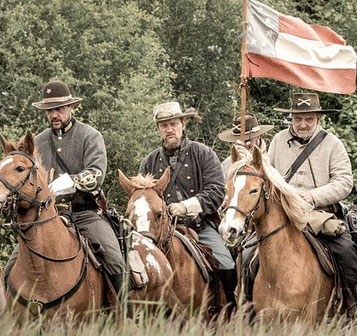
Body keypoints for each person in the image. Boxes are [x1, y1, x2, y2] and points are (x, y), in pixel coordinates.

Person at [264, 93, 357, 313]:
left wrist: (313, 196)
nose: (303, 124)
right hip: (283, 216)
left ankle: (354, 308)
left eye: (308, 119)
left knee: (349, 256)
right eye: (298, 119)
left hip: (322, 216)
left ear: (318, 118)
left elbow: (344, 182)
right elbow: (267, 175)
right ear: (291, 118)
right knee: (248, 255)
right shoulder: (278, 141)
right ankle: (248, 307)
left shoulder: (332, 144)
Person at [29, 80, 126, 299]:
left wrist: (63, 183)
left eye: (60, 109)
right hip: (47, 216)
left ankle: (125, 314)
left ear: (71, 107)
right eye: (50, 110)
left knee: (114, 259)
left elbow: (96, 175)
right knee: (13, 265)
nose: (55, 114)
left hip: (84, 214)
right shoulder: (37, 142)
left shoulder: (90, 136)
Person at [138, 101, 236, 300]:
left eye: (173, 124)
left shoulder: (204, 154)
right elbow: (143, 199)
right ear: (159, 129)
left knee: (227, 264)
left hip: (200, 227)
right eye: (164, 126)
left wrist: (185, 206)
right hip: (159, 232)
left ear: (183, 124)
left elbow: (216, 191)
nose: (169, 129)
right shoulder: (149, 161)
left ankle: (230, 308)